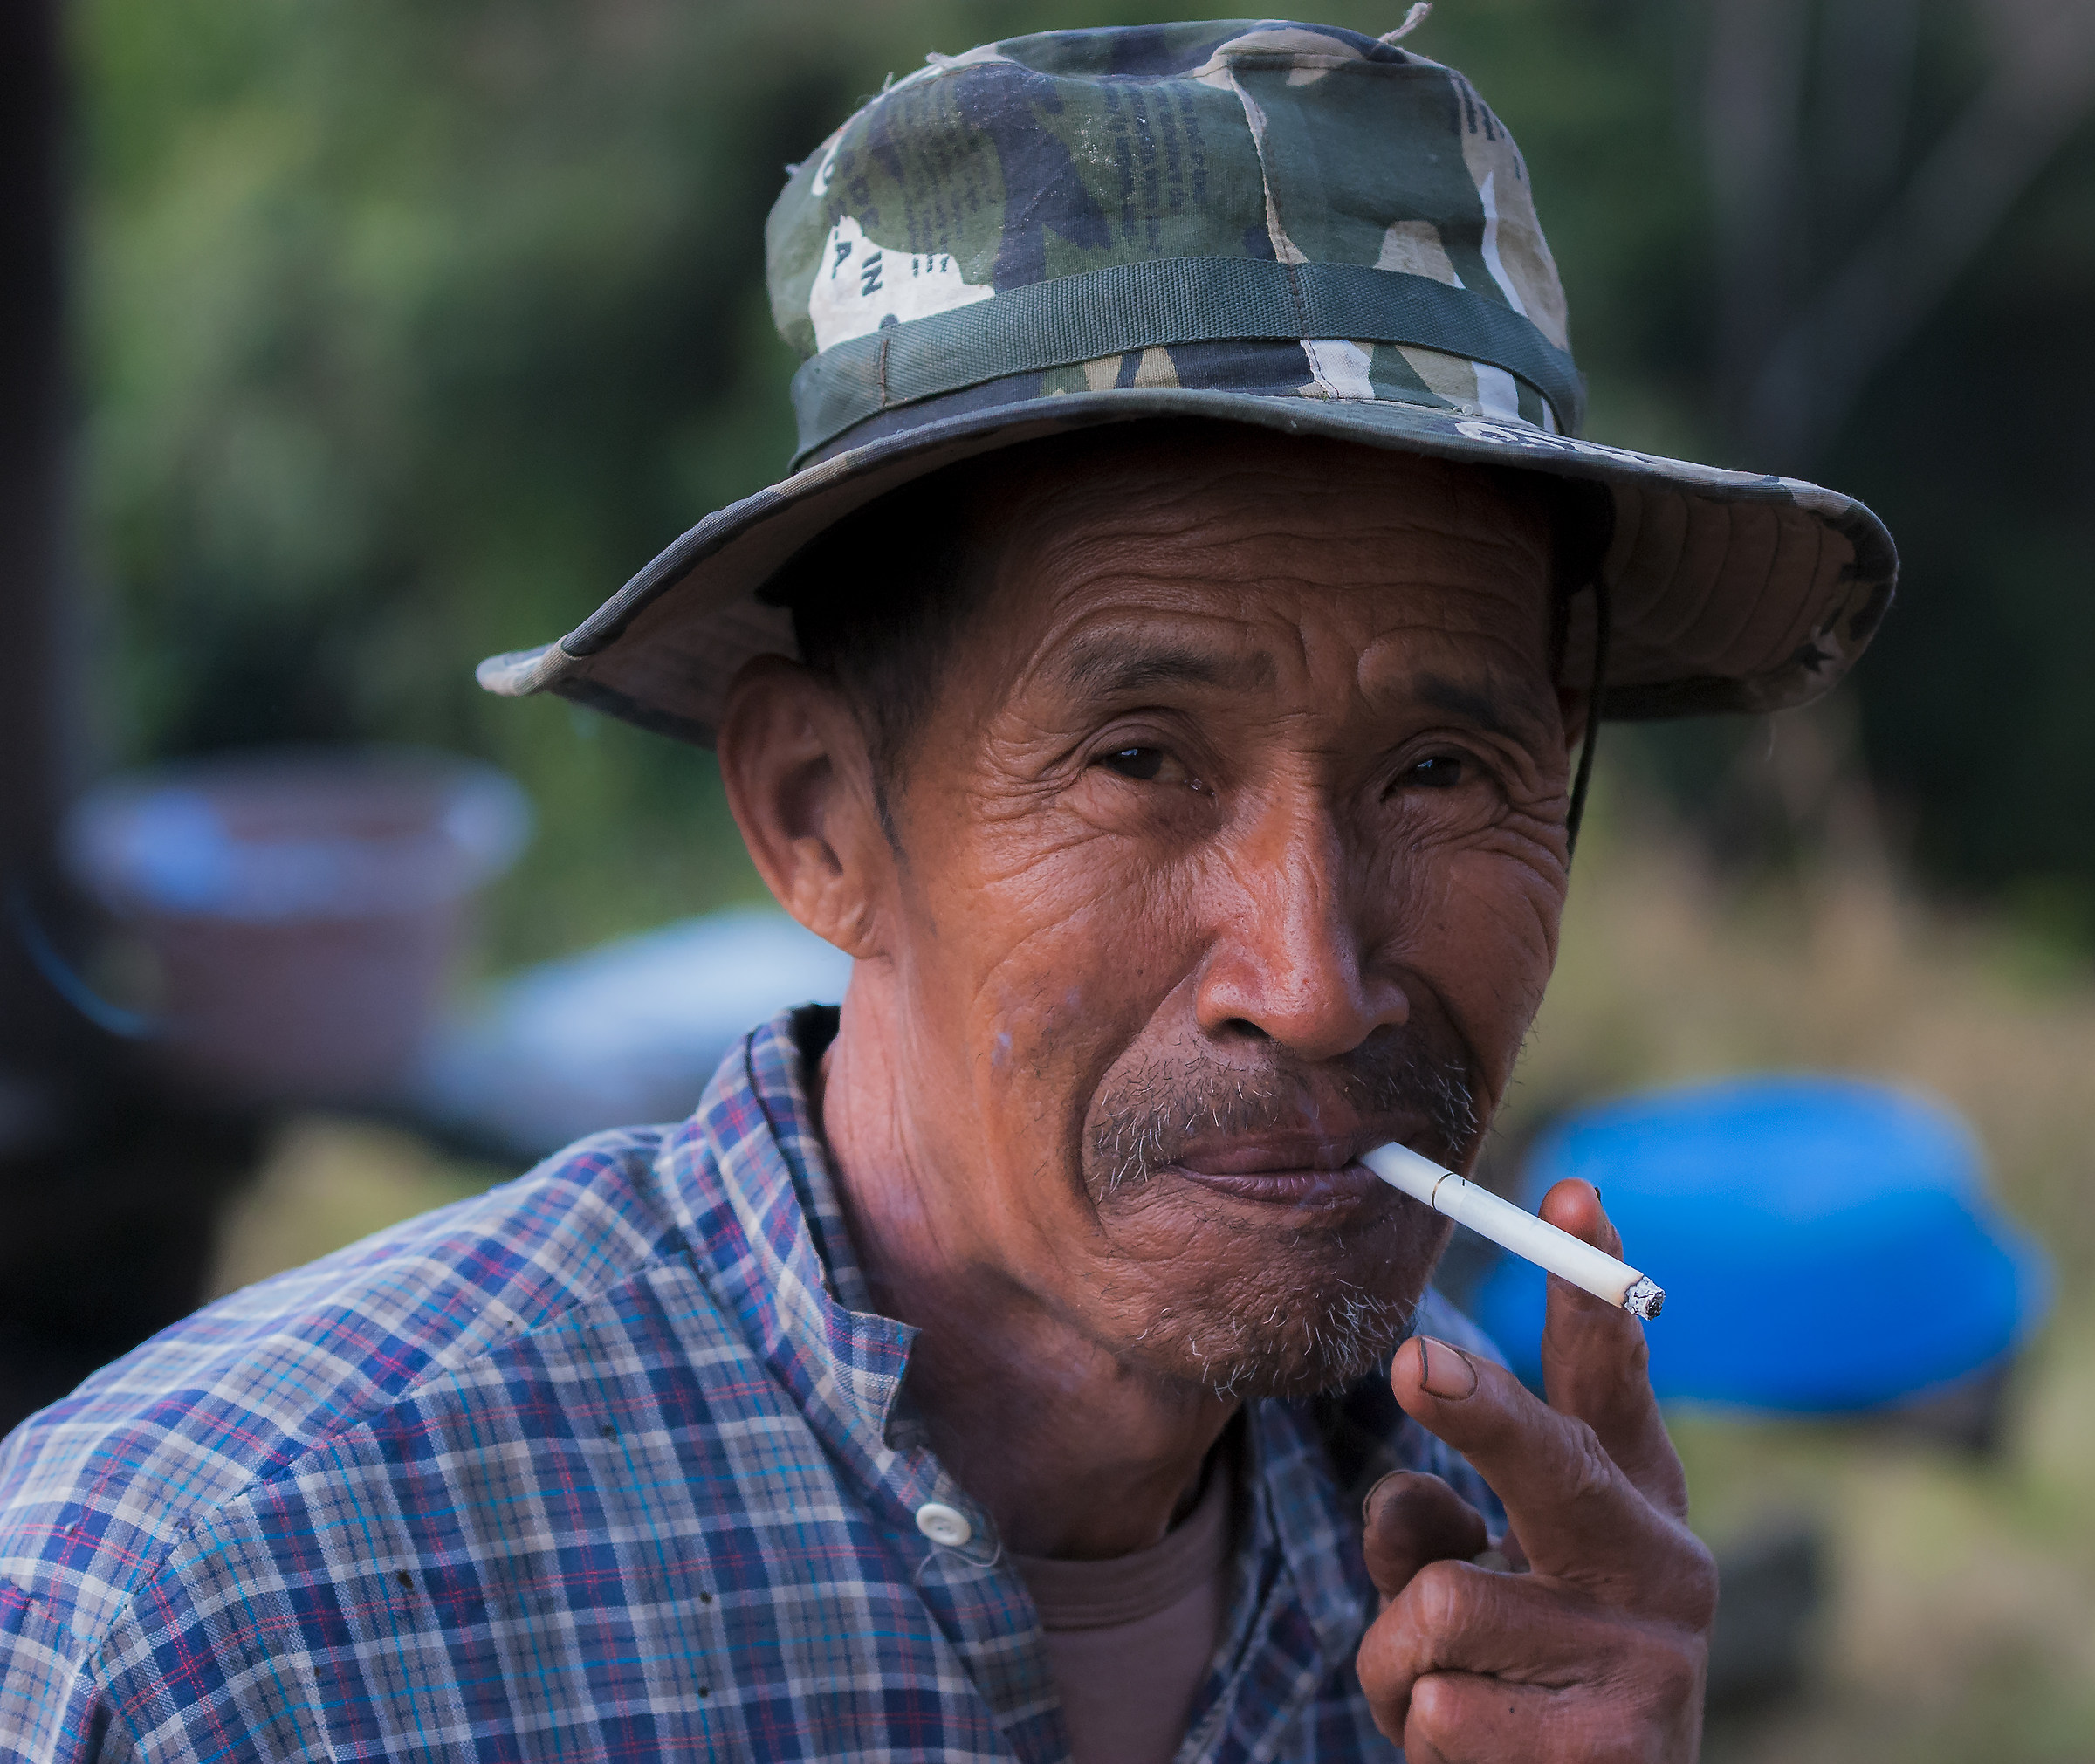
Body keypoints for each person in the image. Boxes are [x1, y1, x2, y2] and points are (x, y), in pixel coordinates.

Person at [0, 20, 1895, 1763]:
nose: (1314, 980)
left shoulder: (1489, 1551)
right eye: (1139, 761)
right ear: (820, 819)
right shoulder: (210, 1626)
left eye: (1443, 772)